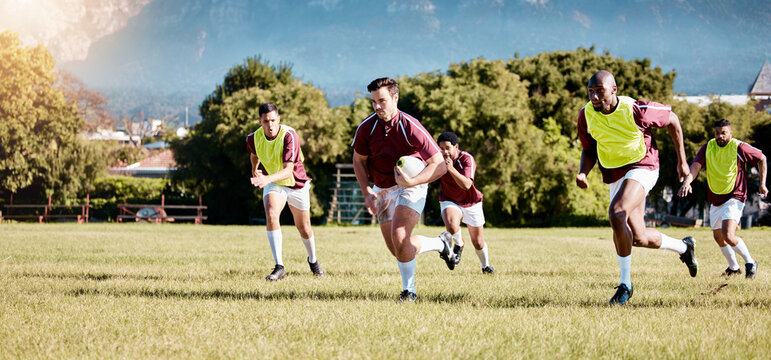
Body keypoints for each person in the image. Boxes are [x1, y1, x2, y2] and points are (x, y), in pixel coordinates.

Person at [575, 70, 698, 305]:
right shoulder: (585, 115)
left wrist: (682, 162)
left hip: (643, 165)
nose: (594, 97)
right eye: (590, 92)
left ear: (614, 90)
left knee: (617, 213)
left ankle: (626, 285)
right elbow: (589, 149)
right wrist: (583, 172)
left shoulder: (636, 109)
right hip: (615, 173)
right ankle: (684, 247)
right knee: (638, 238)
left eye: (600, 91)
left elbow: (672, 119)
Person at [352, 77, 454, 302]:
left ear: (395, 98)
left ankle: (409, 292)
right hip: (382, 189)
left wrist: (413, 181)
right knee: (398, 249)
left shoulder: (410, 126)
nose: (377, 106)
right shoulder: (366, 128)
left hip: (411, 185)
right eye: (373, 102)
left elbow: (439, 164)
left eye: (382, 101)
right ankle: (440, 243)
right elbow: (358, 160)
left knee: (400, 235)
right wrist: (367, 192)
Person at [677, 119, 767, 278]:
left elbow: (762, 158)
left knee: (728, 235)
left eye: (723, 133)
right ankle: (734, 267)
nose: (720, 136)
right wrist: (687, 182)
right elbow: (696, 166)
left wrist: (762, 184)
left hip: (735, 195)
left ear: (730, 133)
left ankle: (750, 262)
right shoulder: (708, 147)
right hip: (716, 197)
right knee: (718, 236)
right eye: (717, 133)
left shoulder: (739, 147)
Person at [246, 103, 323, 281]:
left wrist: (266, 179)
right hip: (274, 183)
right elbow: (254, 154)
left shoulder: (289, 135)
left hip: (296, 183)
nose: (270, 125)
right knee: (271, 213)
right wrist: (254, 169)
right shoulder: (253, 138)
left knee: (304, 228)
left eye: (273, 120)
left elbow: (288, 170)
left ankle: (313, 260)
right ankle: (279, 266)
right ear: (260, 121)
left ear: (278, 119)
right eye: (266, 121)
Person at [436, 131, 493, 274]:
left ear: (456, 147)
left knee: (478, 242)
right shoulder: (438, 159)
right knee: (451, 224)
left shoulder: (467, 159)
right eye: (441, 148)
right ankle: (459, 243)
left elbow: (467, 185)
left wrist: (450, 169)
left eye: (447, 148)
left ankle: (485, 266)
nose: (444, 152)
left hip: (471, 201)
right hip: (449, 199)